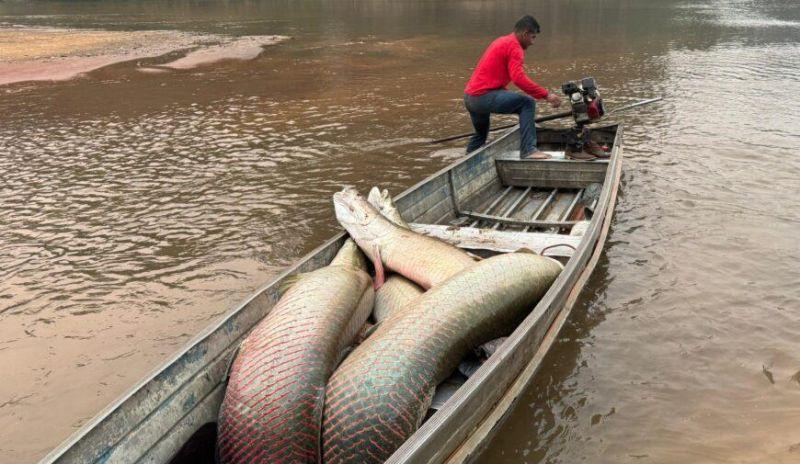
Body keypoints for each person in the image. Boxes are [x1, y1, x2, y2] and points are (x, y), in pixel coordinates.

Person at [464, 15, 562, 159]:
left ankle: (466, 159)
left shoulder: (502, 40)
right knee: (527, 103)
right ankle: (529, 150)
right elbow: (518, 78)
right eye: (533, 37)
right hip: (482, 97)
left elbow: (492, 78)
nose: (533, 42)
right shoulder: (515, 47)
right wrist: (546, 95)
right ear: (525, 34)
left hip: (470, 99)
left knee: (480, 136)